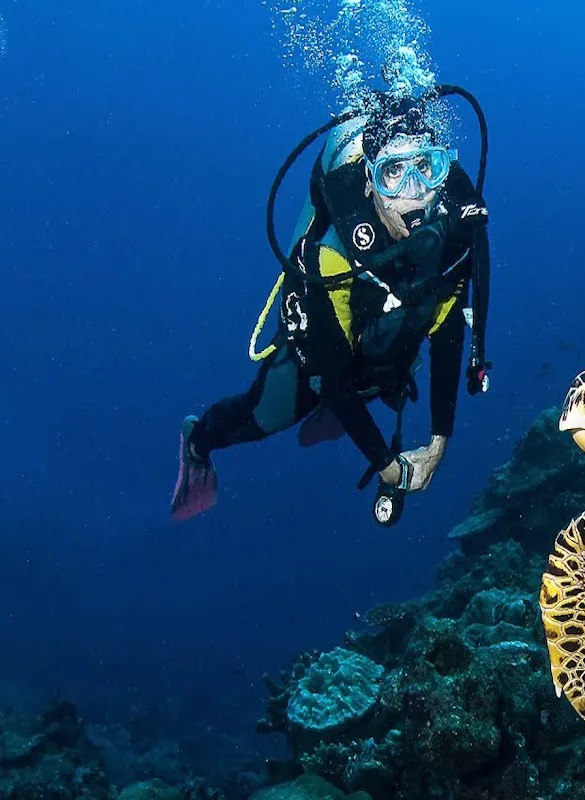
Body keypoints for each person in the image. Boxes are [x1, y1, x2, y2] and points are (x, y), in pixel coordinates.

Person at [170, 90, 492, 525]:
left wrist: (439, 443)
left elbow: (450, 335)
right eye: (392, 173)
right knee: (267, 414)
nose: (414, 194)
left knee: (393, 356)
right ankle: (197, 441)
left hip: (383, 337)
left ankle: (360, 392)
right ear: (369, 183)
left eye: (426, 168)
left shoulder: (457, 233)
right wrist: (388, 466)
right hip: (325, 345)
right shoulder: (334, 250)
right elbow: (333, 373)